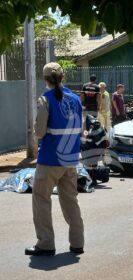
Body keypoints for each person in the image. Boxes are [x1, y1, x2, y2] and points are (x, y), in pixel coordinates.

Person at [25, 62, 84, 256]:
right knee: (70, 201)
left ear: (45, 79)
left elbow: (39, 132)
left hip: (50, 159)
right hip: (71, 159)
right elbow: (79, 129)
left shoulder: (46, 99)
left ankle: (46, 244)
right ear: (63, 77)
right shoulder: (76, 99)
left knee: (41, 199)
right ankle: (77, 243)